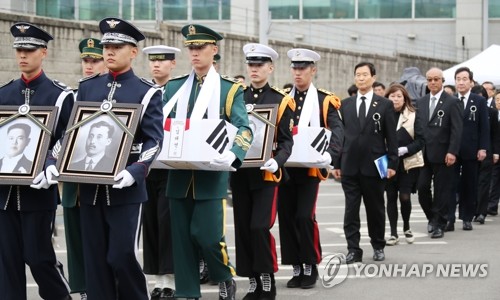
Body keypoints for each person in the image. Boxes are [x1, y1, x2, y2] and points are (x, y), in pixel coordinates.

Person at [48, 17, 164, 300]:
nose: (109, 51)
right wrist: (54, 161)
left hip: (126, 189)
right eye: (106, 46)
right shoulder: (87, 88)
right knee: (95, 262)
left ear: (133, 51)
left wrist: (136, 170)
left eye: (117, 46)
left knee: (121, 256)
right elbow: (70, 132)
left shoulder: (146, 92)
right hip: (90, 188)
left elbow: (155, 140)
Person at [163, 24, 252, 300]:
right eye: (191, 48)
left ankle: (224, 275)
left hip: (211, 177)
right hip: (178, 176)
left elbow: (244, 129)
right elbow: (162, 125)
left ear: (214, 50)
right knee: (181, 241)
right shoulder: (176, 87)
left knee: (209, 237)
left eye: (200, 47)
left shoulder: (229, 90)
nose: (195, 53)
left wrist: (234, 154)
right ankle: (187, 293)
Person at [0, 21, 74, 300]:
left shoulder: (60, 95)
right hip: (4, 193)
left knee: (39, 257)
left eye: (29, 50)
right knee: (6, 263)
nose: (22, 55)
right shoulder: (3, 93)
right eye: (19, 50)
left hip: (38, 193)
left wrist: (51, 165)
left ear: (43, 52)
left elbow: (70, 136)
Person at [231, 43, 294, 300]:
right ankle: (253, 280)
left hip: (266, 175)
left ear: (270, 68)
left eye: (259, 65)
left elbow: (288, 141)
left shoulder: (281, 100)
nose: (254, 69)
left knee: (259, 227)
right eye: (251, 64)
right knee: (243, 229)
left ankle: (267, 278)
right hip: (241, 173)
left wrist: (277, 161)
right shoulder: (237, 97)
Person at [279, 48, 343, 288]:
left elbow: (337, 130)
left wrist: (330, 154)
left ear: (313, 70)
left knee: (305, 217)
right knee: (286, 218)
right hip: (285, 169)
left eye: (302, 68)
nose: (298, 72)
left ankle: (310, 264)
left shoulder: (324, 100)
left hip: (310, 170)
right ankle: (296, 267)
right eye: (294, 68)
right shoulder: (283, 96)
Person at [332, 62, 397, 263]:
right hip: (349, 165)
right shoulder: (345, 104)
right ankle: (353, 249)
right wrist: (336, 163)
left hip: (375, 165)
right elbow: (339, 136)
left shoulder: (384, 104)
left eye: (364, 74)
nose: (360, 78)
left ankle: (378, 245)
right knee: (351, 210)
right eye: (357, 75)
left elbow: (391, 137)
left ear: (373, 77)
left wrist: (393, 163)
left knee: (375, 208)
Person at [61, 37, 108, 300]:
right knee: (76, 243)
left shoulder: (115, 97)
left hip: (102, 184)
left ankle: (103, 289)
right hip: (73, 185)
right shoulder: (71, 96)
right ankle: (83, 290)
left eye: (95, 60)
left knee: (102, 244)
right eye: (85, 60)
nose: (89, 66)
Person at [142, 44, 180, 300]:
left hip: (170, 166)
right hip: (147, 167)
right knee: (151, 223)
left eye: (162, 61)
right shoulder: (143, 91)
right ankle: (157, 278)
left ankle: (171, 279)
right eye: (153, 61)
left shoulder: (179, 90)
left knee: (167, 223)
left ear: (172, 64)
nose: (156, 65)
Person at [416, 67, 463, 239]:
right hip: (424, 153)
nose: (433, 82)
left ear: (442, 81)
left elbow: (457, 130)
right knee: (422, 188)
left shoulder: (452, 102)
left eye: (436, 79)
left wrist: (452, 151)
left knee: (442, 191)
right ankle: (432, 217)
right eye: (429, 79)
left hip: (444, 154)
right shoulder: (421, 102)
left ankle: (439, 224)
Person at [446, 67, 489, 232]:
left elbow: (484, 127)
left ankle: (466, 217)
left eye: (465, 79)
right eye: (458, 79)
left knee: (469, 185)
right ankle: (449, 218)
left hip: (471, 148)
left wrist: (483, 148)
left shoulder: (479, 101)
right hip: (453, 150)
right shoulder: (450, 100)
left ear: (471, 82)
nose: (461, 82)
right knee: (451, 184)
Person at [383, 84, 425, 246]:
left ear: (405, 98)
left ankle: (406, 226)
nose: (395, 99)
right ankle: (393, 233)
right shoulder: (382, 114)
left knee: (405, 197)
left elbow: (421, 140)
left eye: (399, 96)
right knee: (391, 197)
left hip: (408, 163)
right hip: (388, 163)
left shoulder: (414, 115)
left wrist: (405, 149)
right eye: (392, 96)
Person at [474, 82, 499, 224]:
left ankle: (481, 212)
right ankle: (472, 209)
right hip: (471, 153)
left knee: (484, 183)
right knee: (472, 182)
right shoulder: (467, 112)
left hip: (487, 152)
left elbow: (495, 134)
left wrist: (496, 152)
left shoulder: (492, 113)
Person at [488, 91, 500, 215]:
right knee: (494, 180)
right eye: (497, 99)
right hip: (496, 152)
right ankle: (492, 206)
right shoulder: (492, 114)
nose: (499, 102)